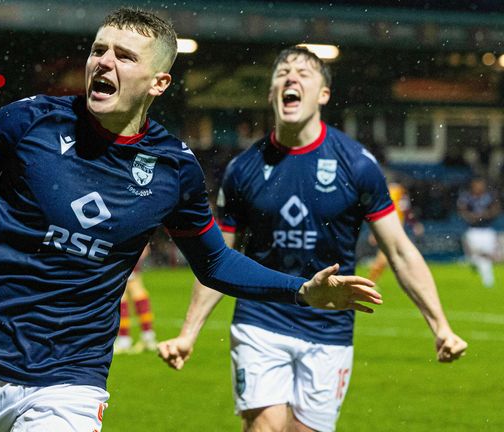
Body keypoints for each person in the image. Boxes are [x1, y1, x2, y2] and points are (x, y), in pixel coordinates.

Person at [0, 12, 381, 431]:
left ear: (158, 80)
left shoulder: (175, 171)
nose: (103, 63)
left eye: (124, 55)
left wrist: (299, 289)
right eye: (98, 49)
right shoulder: (28, 122)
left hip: (71, 381)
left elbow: (214, 261)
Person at [158, 47, 467, 432]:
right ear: (271, 93)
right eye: (282, 72)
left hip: (329, 326)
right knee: (265, 427)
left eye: (304, 73)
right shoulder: (242, 169)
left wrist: (440, 326)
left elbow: (401, 251)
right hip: (261, 318)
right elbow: (218, 258)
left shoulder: (356, 164)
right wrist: (189, 333)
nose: (291, 77)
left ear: (323, 94)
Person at [367, 180, 424, 283]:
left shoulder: (391, 195)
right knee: (388, 257)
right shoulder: (396, 195)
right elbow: (404, 212)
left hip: (392, 230)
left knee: (389, 257)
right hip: (391, 230)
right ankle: (370, 282)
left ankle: (371, 281)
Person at [457, 177, 501, 288]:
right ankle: (478, 267)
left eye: (480, 185)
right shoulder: (467, 197)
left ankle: (487, 279)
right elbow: (462, 210)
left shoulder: (489, 196)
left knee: (486, 255)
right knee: (475, 255)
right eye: (476, 185)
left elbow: (496, 209)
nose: (478, 187)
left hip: (487, 230)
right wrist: (472, 217)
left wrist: (484, 215)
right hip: (473, 230)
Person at [115, 244, 157, 354]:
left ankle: (125, 340)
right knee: (137, 291)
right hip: (133, 251)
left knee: (126, 294)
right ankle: (148, 336)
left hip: (125, 256)